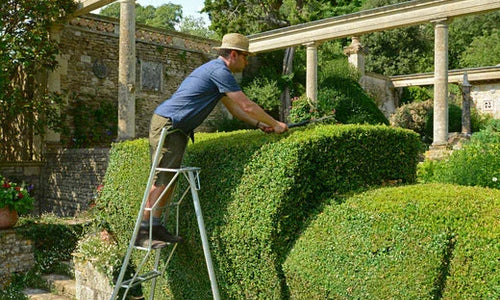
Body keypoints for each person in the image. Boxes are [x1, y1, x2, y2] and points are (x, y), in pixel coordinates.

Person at [135, 33, 288, 248]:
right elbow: (246, 105)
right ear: (234, 55)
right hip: (170, 125)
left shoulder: (217, 73)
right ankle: (143, 231)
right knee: (162, 178)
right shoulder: (219, 71)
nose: (247, 62)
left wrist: (258, 124)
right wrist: (277, 123)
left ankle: (156, 225)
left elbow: (234, 108)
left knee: (170, 179)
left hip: (176, 127)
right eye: (246, 57)